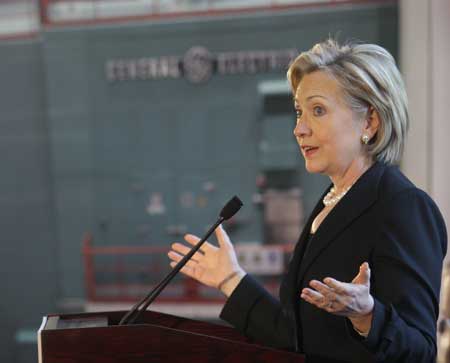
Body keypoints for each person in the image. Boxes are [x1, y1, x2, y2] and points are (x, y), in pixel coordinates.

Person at [167, 39, 447, 363]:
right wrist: (231, 279)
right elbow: (296, 337)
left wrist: (367, 317)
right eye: (299, 112)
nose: (299, 129)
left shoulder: (403, 207)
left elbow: (421, 352)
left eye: (318, 110)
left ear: (369, 122)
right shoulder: (330, 203)